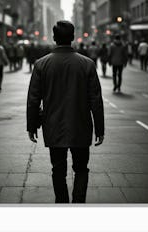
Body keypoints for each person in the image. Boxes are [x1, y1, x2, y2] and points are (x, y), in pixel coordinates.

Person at [26, 21, 104, 203]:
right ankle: (78, 204)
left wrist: (31, 126)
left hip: (54, 126)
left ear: (54, 38)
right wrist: (99, 129)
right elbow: (96, 100)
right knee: (81, 169)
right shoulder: (87, 64)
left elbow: (33, 100)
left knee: (58, 170)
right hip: (81, 125)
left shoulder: (41, 64)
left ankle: (61, 203)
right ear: (73, 37)